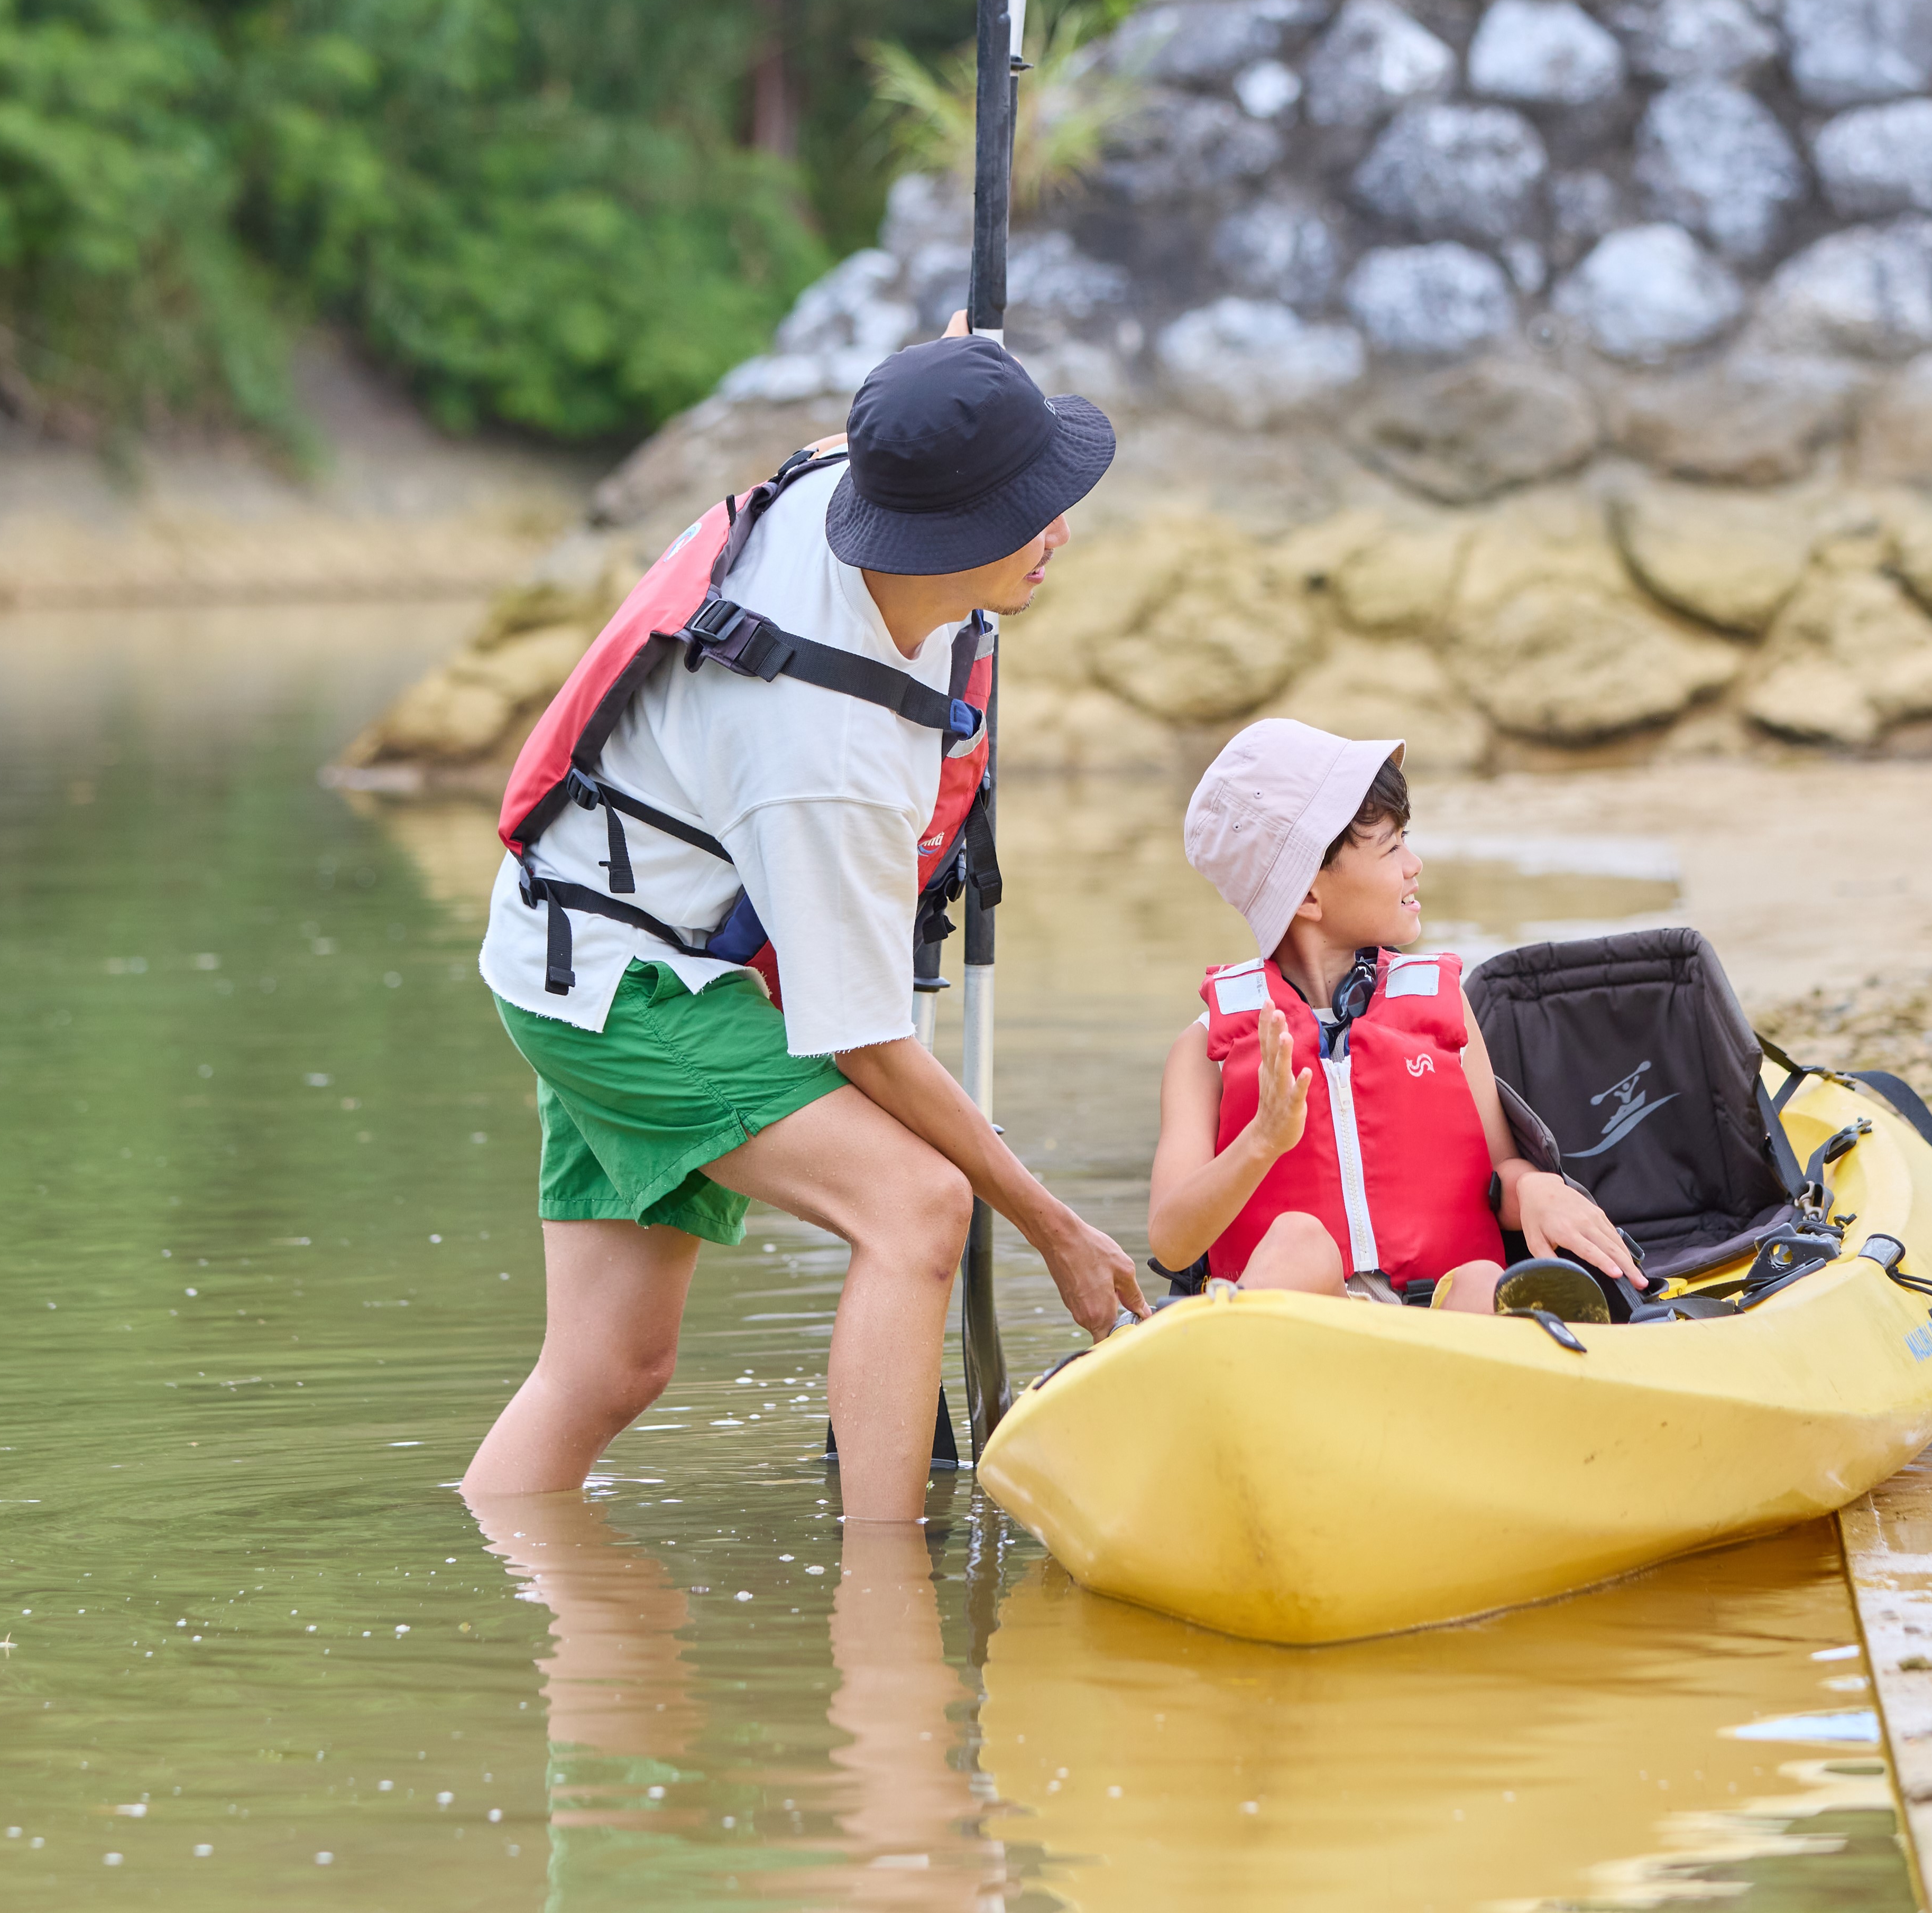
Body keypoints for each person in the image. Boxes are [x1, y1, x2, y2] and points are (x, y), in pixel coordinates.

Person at [458, 334, 1148, 1524]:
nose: (1062, 537)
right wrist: (1059, 1231)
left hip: (563, 935)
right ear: (949, 537)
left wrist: (968, 373)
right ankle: (885, 1608)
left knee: (610, 1368)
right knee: (919, 1205)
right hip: (625, 990)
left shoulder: (857, 478)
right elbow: (866, 1042)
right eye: (1035, 513)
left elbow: (905, 411)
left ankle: (515, 1594)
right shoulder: (817, 761)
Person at [1146, 719, 1641, 1309]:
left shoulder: (1443, 1006)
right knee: (1300, 1241)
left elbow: (1499, 1172)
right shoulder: (1204, 1053)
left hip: (1434, 1318)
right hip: (1309, 1330)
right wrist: (1261, 1141)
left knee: (1485, 1277)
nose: (1414, 864)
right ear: (1306, 896)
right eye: (1391, 846)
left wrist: (1535, 1189)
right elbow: (1172, 1243)